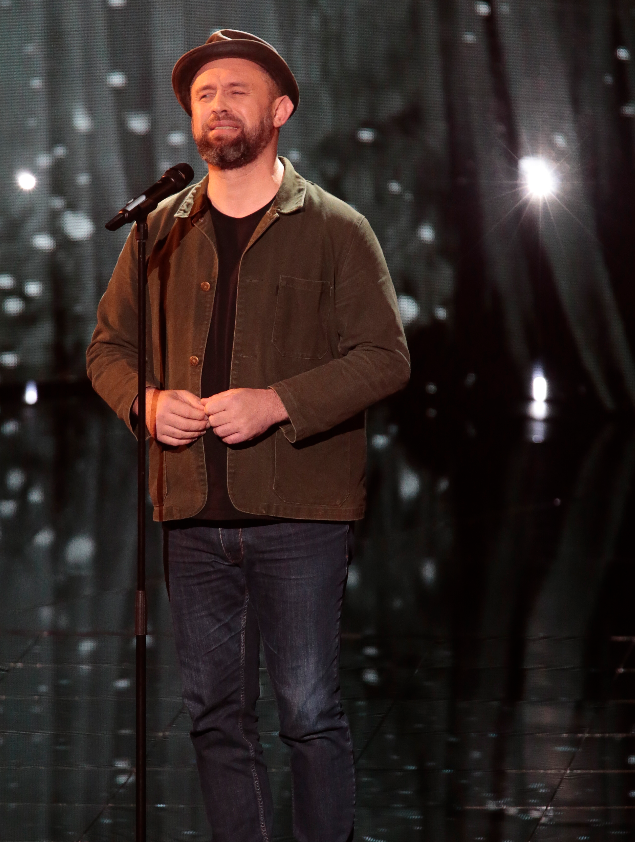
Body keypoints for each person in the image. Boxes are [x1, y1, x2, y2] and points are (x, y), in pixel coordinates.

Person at [87, 29, 410, 842]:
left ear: (280, 110)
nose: (218, 105)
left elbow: (383, 357)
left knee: (306, 711)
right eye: (204, 94)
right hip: (190, 514)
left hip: (298, 513)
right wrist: (144, 403)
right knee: (213, 715)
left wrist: (277, 402)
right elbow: (107, 349)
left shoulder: (335, 227)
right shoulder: (158, 229)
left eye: (237, 90)